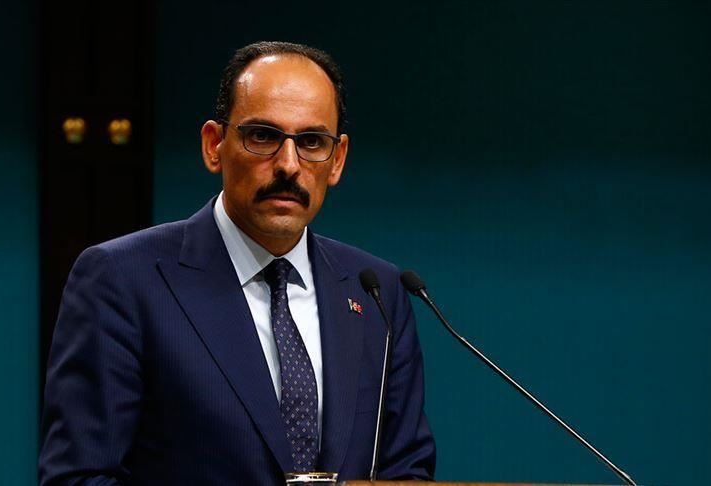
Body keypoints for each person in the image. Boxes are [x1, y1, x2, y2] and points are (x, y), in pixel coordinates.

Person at [39, 41, 435, 485]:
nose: (289, 165)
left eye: (311, 142)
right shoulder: (122, 279)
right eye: (263, 136)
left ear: (337, 159)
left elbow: (407, 472)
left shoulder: (376, 292)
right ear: (214, 145)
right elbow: (82, 477)